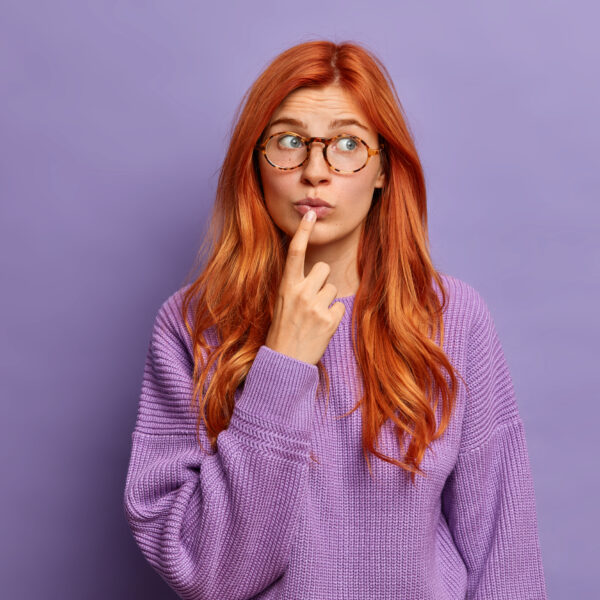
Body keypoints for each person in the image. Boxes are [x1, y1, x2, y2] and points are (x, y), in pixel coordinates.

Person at [123, 40, 548, 599]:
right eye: (290, 142)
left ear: (381, 171)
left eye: (347, 144)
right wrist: (284, 363)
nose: (315, 172)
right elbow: (211, 575)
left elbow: (505, 554)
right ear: (255, 163)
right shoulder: (191, 325)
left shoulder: (453, 317)